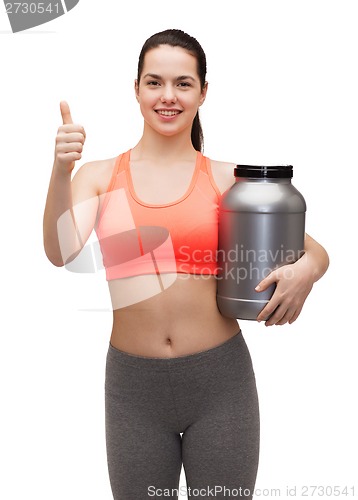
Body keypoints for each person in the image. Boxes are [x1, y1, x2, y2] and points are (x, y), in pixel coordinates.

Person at [43, 29, 329, 500]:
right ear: (135, 89)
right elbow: (60, 251)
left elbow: (314, 250)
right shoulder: (98, 176)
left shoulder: (225, 180)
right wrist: (60, 171)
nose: (168, 96)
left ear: (203, 92)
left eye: (183, 83)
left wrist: (306, 272)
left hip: (220, 385)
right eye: (154, 83)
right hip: (133, 389)